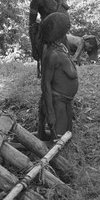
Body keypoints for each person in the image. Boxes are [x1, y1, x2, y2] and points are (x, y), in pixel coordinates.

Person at [37, 12, 78, 142]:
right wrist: (50, 112)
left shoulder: (61, 49)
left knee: (66, 137)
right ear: (59, 32)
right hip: (57, 102)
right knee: (59, 141)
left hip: (64, 102)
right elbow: (45, 83)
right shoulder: (52, 54)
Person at [29, 0, 70, 77]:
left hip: (62, 38)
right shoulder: (37, 0)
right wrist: (34, 47)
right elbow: (31, 25)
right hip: (47, 40)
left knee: (65, 68)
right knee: (50, 72)